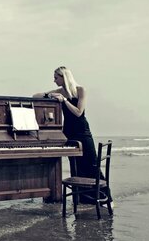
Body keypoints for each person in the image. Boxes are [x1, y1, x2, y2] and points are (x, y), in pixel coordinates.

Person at [34, 66, 108, 204]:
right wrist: (49, 95)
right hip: (68, 132)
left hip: (83, 131)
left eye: (56, 77)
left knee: (92, 165)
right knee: (76, 166)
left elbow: (79, 112)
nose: (54, 80)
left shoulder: (80, 90)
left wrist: (64, 101)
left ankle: (105, 198)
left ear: (64, 77)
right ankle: (84, 199)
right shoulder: (59, 92)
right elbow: (35, 96)